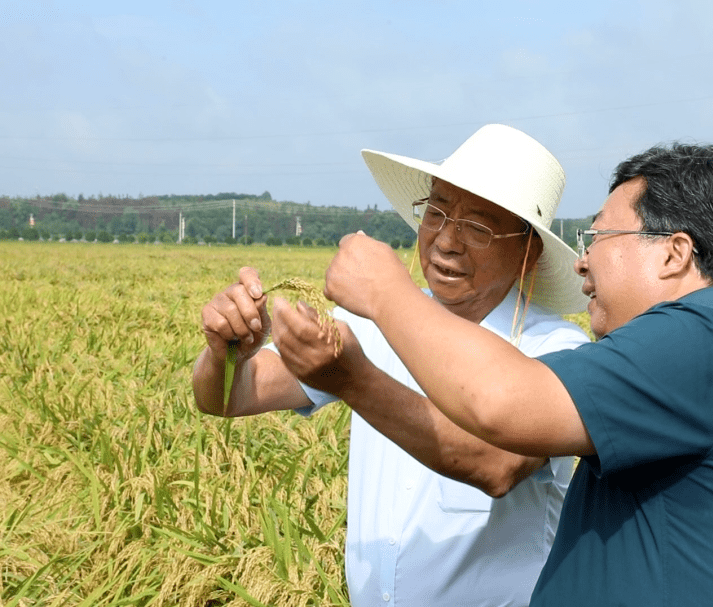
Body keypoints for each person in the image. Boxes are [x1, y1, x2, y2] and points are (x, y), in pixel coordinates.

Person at [323, 142, 713, 606]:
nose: (582, 263)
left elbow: (498, 406)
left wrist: (386, 292)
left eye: (600, 236)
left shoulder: (700, 339)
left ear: (674, 253)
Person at [192, 124, 590, 606]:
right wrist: (226, 352)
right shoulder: (372, 321)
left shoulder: (556, 350)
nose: (446, 241)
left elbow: (497, 465)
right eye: (438, 212)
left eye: (478, 227)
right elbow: (230, 397)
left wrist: (356, 380)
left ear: (529, 253)